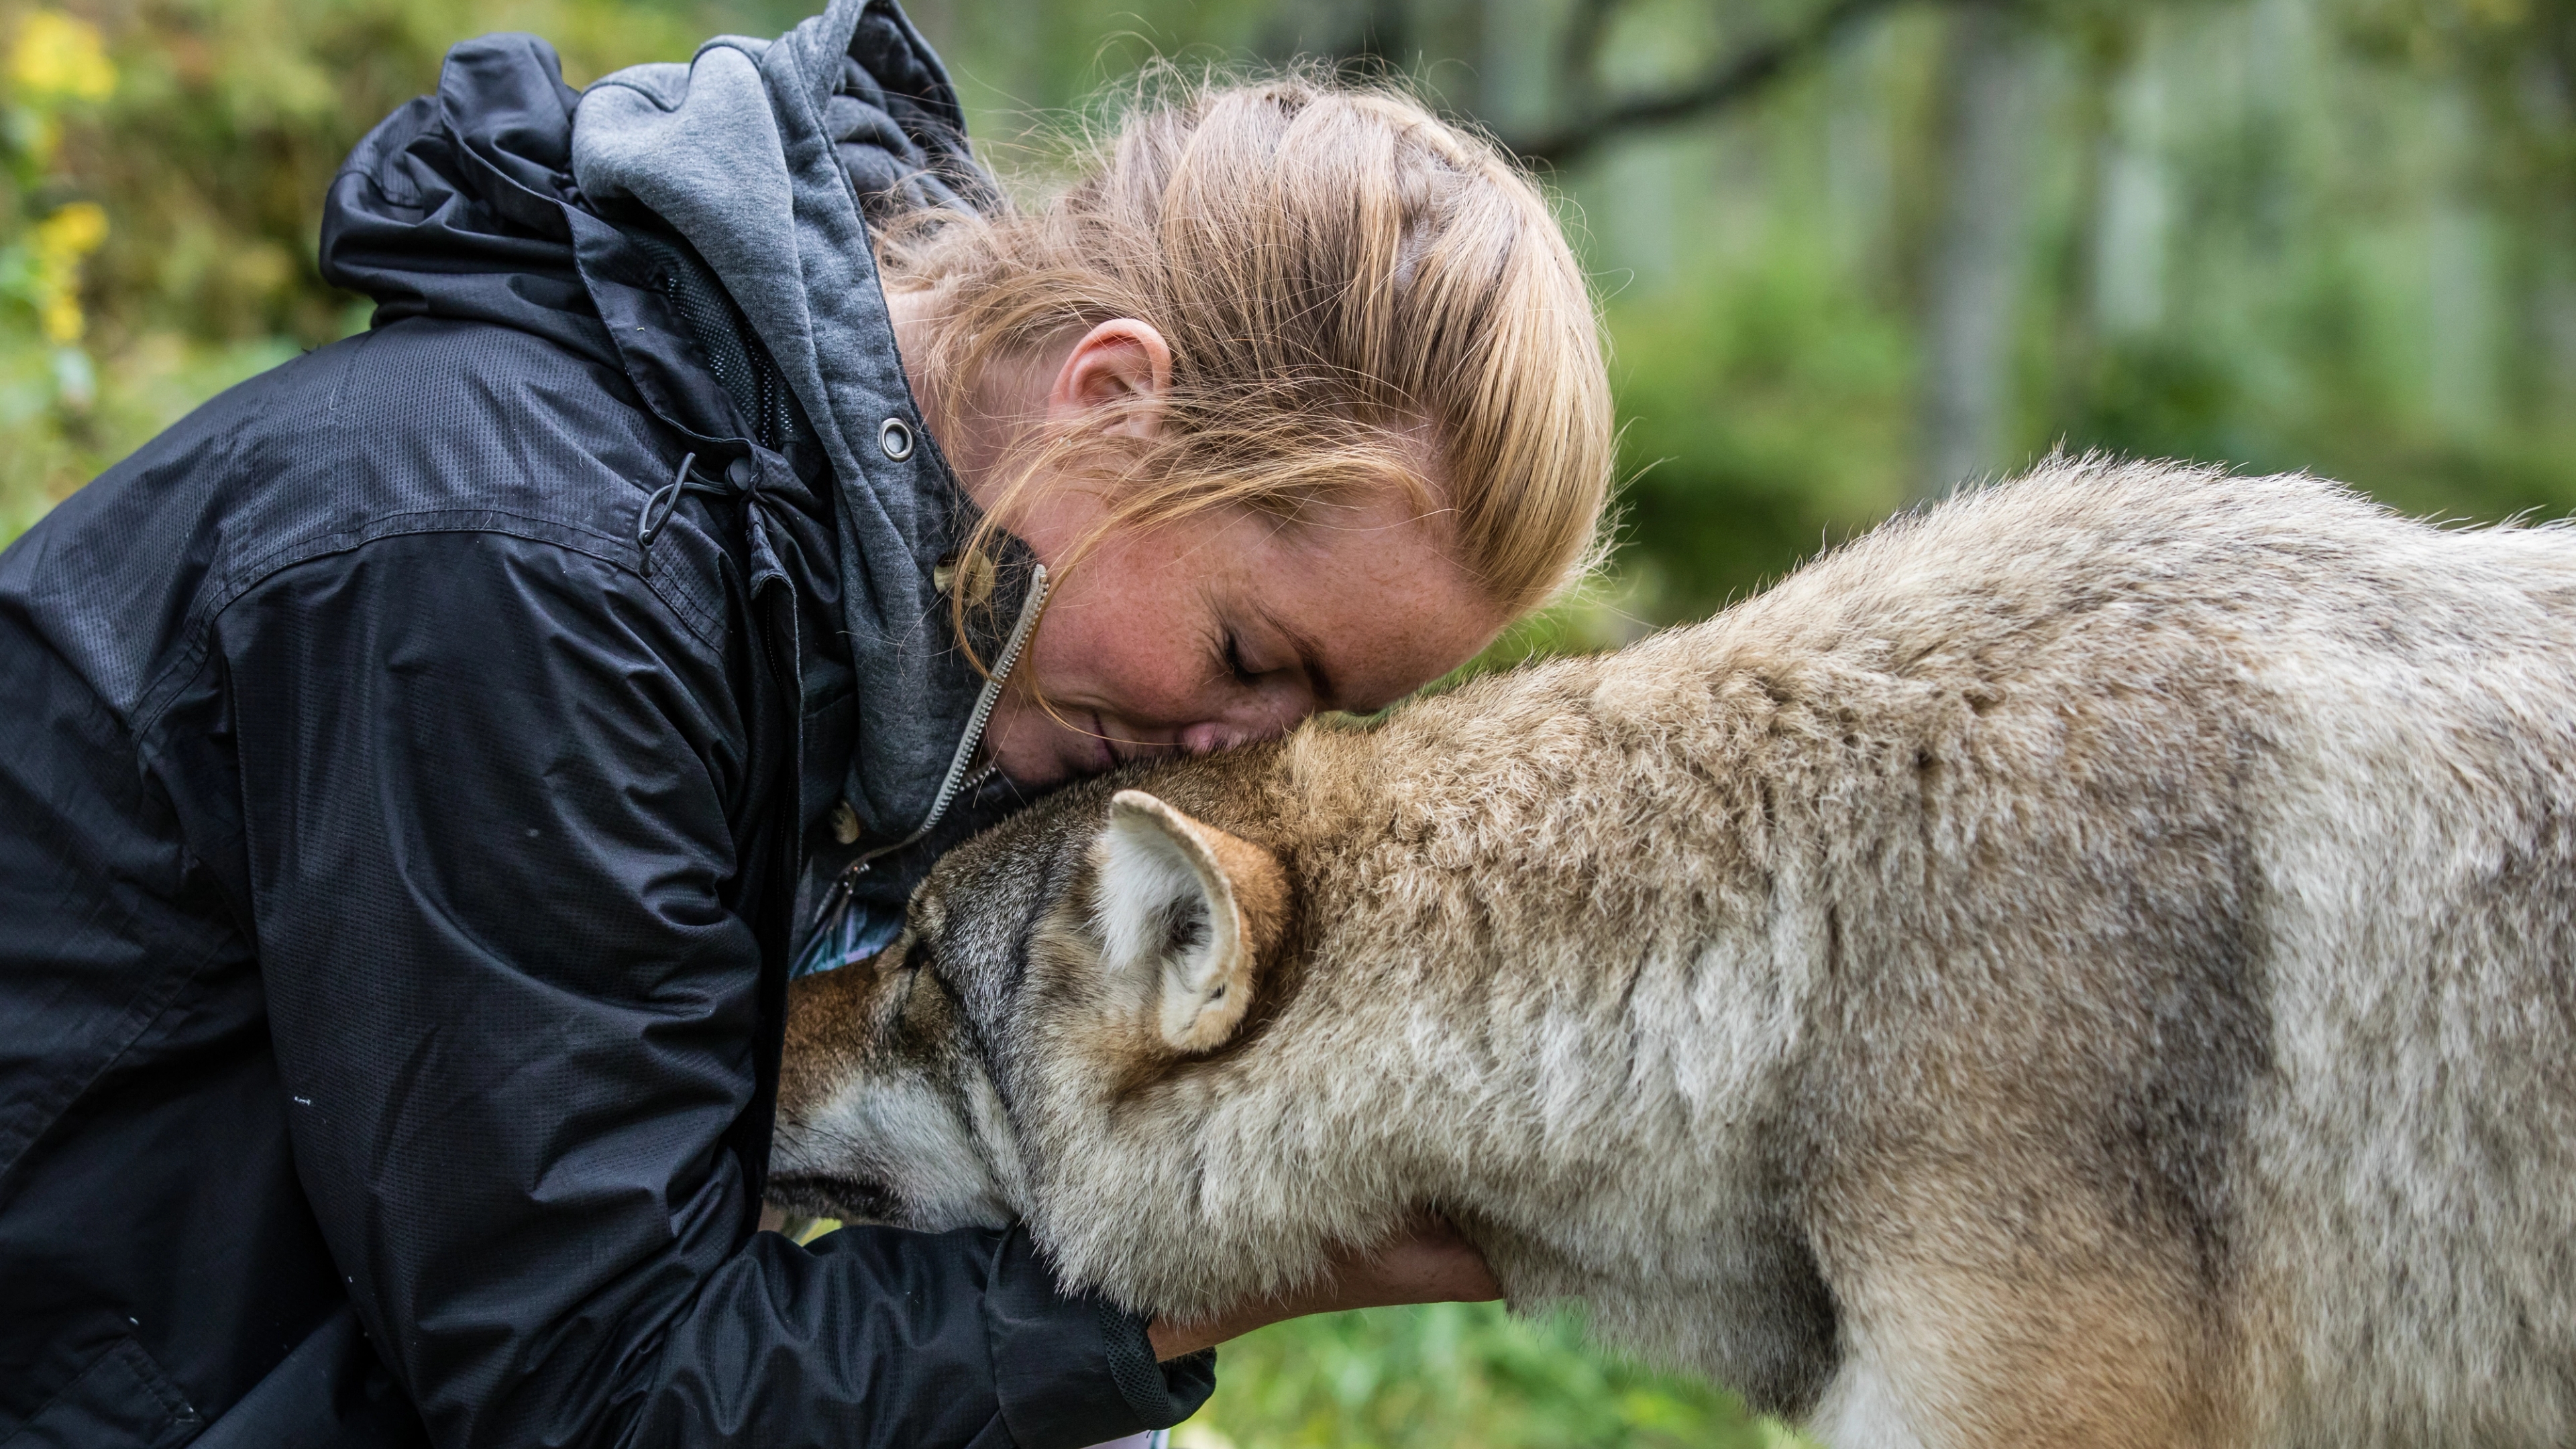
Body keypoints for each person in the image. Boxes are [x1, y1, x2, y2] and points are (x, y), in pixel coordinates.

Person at [0, 1, 1613, 1445]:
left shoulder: (934, 624)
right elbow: (591, 1386)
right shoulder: (537, 581)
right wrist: (1245, 1261)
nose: (1246, 755)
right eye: (1254, 650)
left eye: (1333, 713)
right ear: (1111, 403)